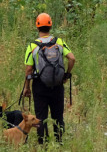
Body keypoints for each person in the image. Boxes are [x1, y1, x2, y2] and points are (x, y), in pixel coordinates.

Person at [23, 13, 75, 145]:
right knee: (58, 117)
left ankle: (43, 145)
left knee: (41, 117)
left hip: (40, 86)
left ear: (37, 27)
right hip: (57, 85)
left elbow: (29, 70)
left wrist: (27, 87)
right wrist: (66, 75)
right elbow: (72, 58)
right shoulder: (59, 42)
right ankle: (59, 143)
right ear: (50, 26)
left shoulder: (33, 46)